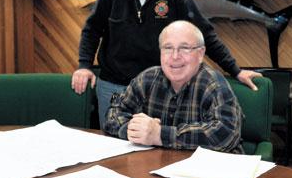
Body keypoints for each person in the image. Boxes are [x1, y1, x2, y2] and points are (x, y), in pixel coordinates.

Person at [71, 0, 261, 129]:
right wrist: (84, 65)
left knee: (154, 144)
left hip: (156, 91)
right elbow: (92, 29)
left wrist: (235, 70)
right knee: (112, 142)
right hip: (112, 86)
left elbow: (205, 36)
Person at [104, 20, 244, 153]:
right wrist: (134, 130)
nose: (175, 56)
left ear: (200, 54)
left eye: (184, 48)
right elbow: (114, 112)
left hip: (208, 173)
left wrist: (160, 135)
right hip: (155, 168)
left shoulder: (214, 84)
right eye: (168, 48)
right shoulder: (147, 78)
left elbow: (227, 133)